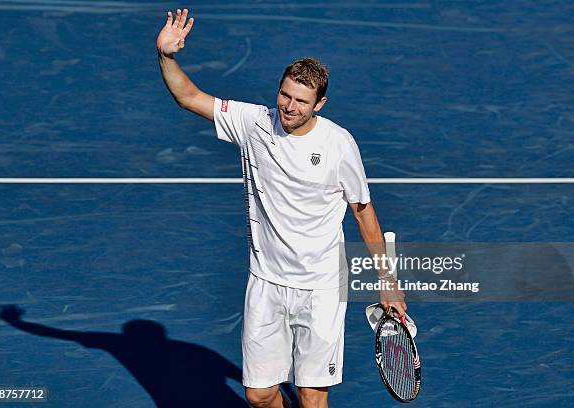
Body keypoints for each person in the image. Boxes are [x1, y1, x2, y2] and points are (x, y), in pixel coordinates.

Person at [156, 9, 406, 408]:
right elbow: (188, 97)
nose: (289, 107)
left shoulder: (340, 145)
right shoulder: (254, 123)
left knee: (311, 396)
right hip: (266, 281)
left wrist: (386, 280)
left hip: (322, 287)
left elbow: (363, 212)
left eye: (301, 101)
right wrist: (167, 57)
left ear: (319, 104)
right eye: (285, 95)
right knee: (259, 396)